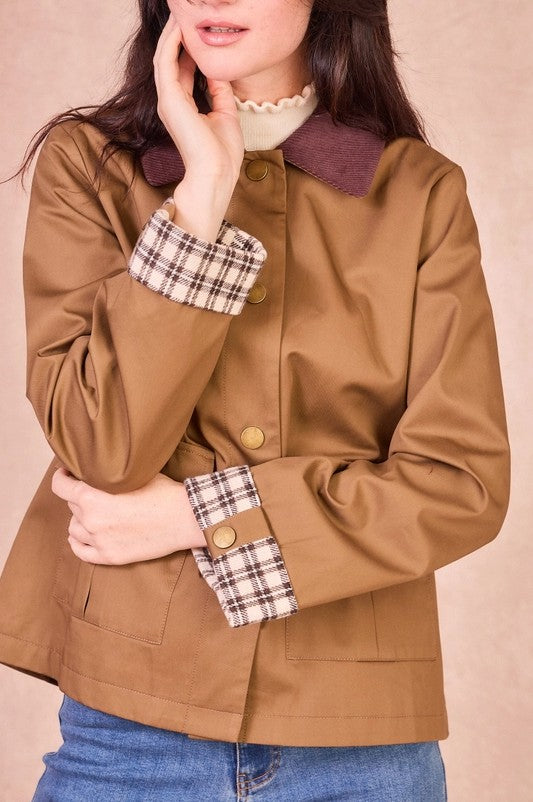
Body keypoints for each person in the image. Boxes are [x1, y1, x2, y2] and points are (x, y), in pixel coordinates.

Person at [0, 0, 510, 799]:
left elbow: (458, 485)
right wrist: (200, 197)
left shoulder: (418, 191)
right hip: (130, 730)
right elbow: (102, 445)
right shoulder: (89, 165)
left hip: (362, 746)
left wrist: (200, 516)